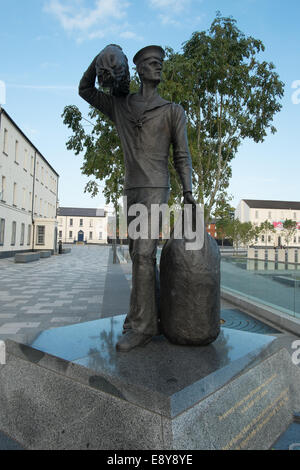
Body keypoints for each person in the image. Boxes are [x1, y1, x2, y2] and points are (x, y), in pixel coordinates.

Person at [79, 45, 196, 352]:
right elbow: (84, 89)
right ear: (140, 69)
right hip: (132, 189)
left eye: (160, 63)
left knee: (144, 255)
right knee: (139, 256)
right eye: (153, 63)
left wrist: (188, 191)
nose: (158, 68)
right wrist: (100, 56)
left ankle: (143, 328)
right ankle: (149, 317)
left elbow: (182, 156)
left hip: (157, 189)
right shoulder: (121, 105)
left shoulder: (173, 111)